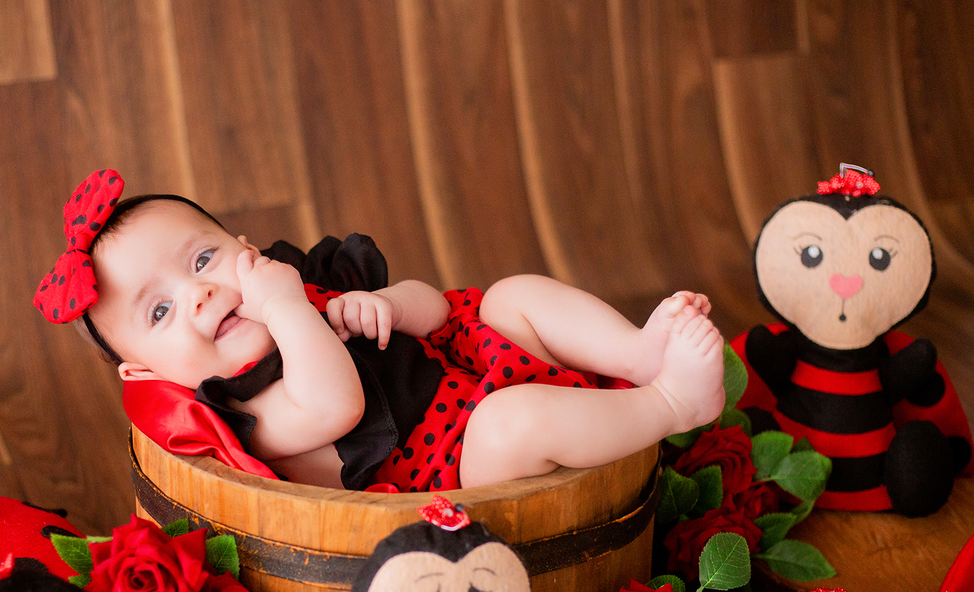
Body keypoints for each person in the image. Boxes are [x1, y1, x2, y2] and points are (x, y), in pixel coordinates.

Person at [36, 170, 725, 491]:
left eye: (204, 258)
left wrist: (391, 305)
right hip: (459, 471)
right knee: (511, 423)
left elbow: (442, 311)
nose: (200, 294)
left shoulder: (303, 284)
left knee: (511, 296)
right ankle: (669, 405)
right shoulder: (245, 409)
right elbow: (339, 406)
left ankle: (637, 353)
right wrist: (286, 312)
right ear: (148, 373)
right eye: (158, 313)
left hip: (474, 371)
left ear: (243, 244)